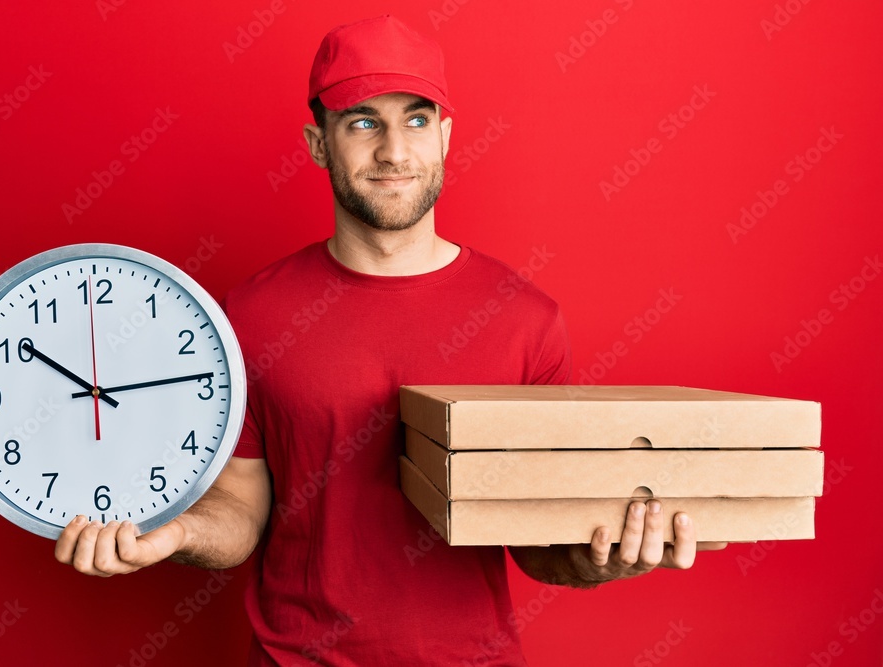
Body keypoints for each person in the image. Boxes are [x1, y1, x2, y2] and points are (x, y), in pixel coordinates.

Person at [56, 15, 722, 665]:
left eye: (416, 119)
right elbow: (240, 509)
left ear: (446, 136)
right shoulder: (248, 315)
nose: (394, 151)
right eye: (363, 121)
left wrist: (597, 558)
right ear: (319, 143)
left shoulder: (528, 321)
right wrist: (174, 532)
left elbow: (536, 537)